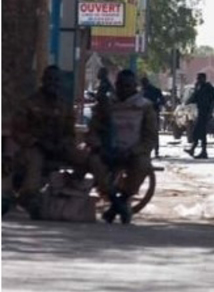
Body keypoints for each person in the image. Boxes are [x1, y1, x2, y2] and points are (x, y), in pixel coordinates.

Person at [11, 65, 89, 219]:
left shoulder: (64, 106)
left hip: (58, 146)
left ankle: (73, 186)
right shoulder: (30, 103)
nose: (53, 83)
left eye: (56, 80)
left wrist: (63, 144)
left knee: (85, 157)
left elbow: (70, 132)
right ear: (43, 81)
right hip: (35, 146)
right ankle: (29, 196)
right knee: (35, 159)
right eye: (50, 79)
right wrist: (36, 142)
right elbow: (18, 131)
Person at [85, 69, 159, 224]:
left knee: (143, 164)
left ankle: (121, 201)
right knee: (94, 161)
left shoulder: (145, 107)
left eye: (128, 86)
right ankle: (115, 200)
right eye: (121, 85)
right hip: (107, 151)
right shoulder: (106, 105)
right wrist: (99, 146)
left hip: (133, 153)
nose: (124, 89)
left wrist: (134, 151)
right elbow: (93, 130)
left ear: (134, 86)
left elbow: (150, 137)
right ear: (116, 85)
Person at [185, 73, 214, 159]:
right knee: (200, 132)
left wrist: (210, 112)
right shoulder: (200, 88)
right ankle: (197, 150)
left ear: (203, 79)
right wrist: (187, 102)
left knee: (198, 131)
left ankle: (199, 151)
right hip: (201, 112)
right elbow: (194, 98)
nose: (198, 80)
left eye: (199, 79)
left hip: (205, 113)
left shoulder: (208, 88)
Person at [139, 76, 166, 157]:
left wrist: (155, 105)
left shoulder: (154, 90)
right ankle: (149, 151)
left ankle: (156, 151)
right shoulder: (141, 91)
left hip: (152, 113)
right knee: (146, 133)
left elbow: (162, 100)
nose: (143, 85)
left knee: (153, 132)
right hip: (143, 114)